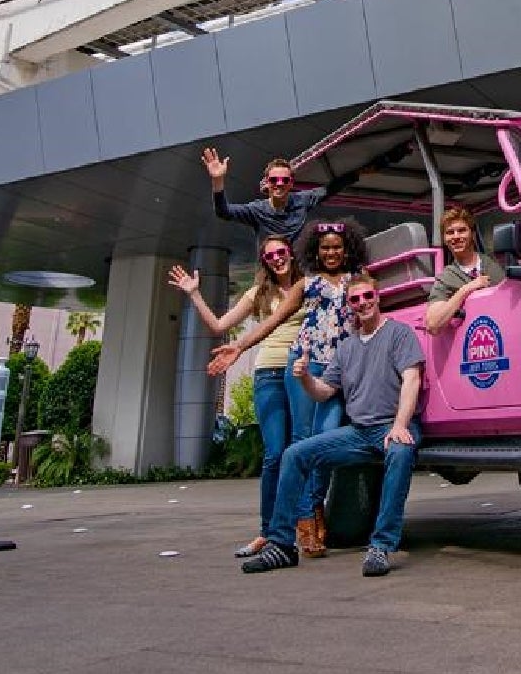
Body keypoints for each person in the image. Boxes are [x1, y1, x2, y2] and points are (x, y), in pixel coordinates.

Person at [239, 270, 424, 578]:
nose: (363, 303)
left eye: (368, 296)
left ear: (377, 297)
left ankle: (380, 546)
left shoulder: (399, 334)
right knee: (294, 454)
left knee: (401, 452)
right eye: (355, 299)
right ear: (349, 305)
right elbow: (324, 391)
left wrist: (400, 424)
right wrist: (305, 378)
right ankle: (282, 545)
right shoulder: (347, 347)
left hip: (392, 427)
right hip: (359, 433)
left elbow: (412, 379)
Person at [212, 218, 369, 558]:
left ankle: (311, 509)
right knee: (301, 443)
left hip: (338, 371)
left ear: (347, 249)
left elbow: (372, 315)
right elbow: (273, 320)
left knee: (324, 442)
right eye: (325, 248)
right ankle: (305, 522)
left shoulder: (358, 280)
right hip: (304, 363)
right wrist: (239, 347)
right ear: (315, 250)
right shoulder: (306, 284)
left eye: (337, 247)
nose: (331, 253)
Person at [168, 236, 305, 558]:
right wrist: (195, 294)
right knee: (275, 455)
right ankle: (268, 531)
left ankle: (303, 526)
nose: (277, 259)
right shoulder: (258, 293)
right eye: (270, 255)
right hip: (268, 374)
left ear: (291, 253)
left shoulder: (307, 286)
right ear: (264, 261)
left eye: (281, 252)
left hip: (302, 373)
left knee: (301, 449)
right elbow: (219, 325)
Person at [202, 147, 331, 245]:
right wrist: (217, 180)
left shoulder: (302, 200)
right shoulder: (257, 210)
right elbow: (223, 211)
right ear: (268, 183)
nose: (279, 184)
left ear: (291, 183)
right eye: (274, 180)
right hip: (268, 274)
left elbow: (329, 189)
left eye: (284, 180)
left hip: (296, 272)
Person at [423, 204, 506, 333]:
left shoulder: (495, 263)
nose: (456, 236)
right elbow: (433, 324)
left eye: (461, 230)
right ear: (445, 240)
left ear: (472, 234)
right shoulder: (446, 278)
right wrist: (465, 290)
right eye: (450, 233)